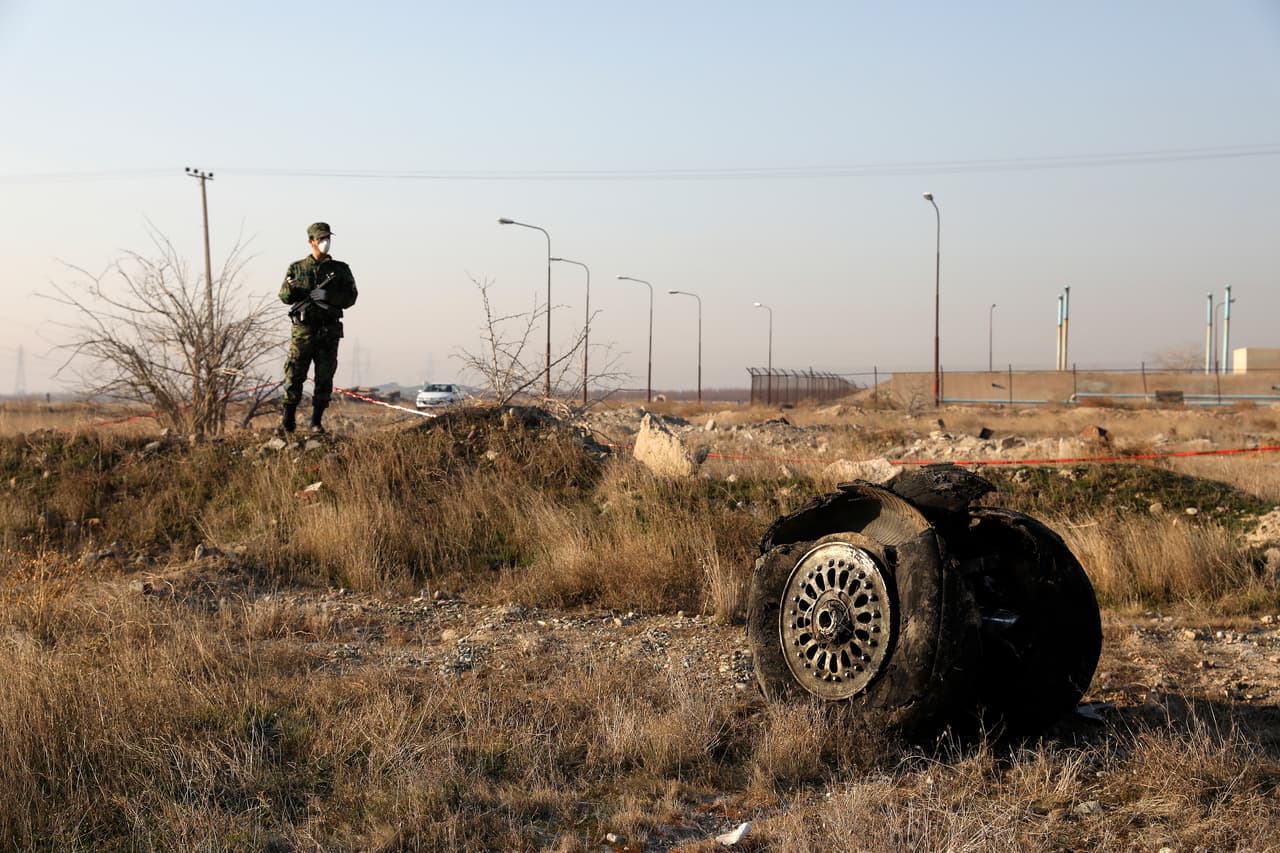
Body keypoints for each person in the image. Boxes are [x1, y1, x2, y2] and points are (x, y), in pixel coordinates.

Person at [278, 222, 358, 434]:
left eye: (327, 238)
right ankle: (288, 421)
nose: (325, 242)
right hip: (303, 331)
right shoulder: (297, 268)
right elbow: (284, 297)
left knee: (324, 377)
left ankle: (316, 421)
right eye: (321, 239)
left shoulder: (340, 269)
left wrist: (329, 297)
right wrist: (292, 288)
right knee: (294, 374)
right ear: (311, 241)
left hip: (328, 331)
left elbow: (351, 297)